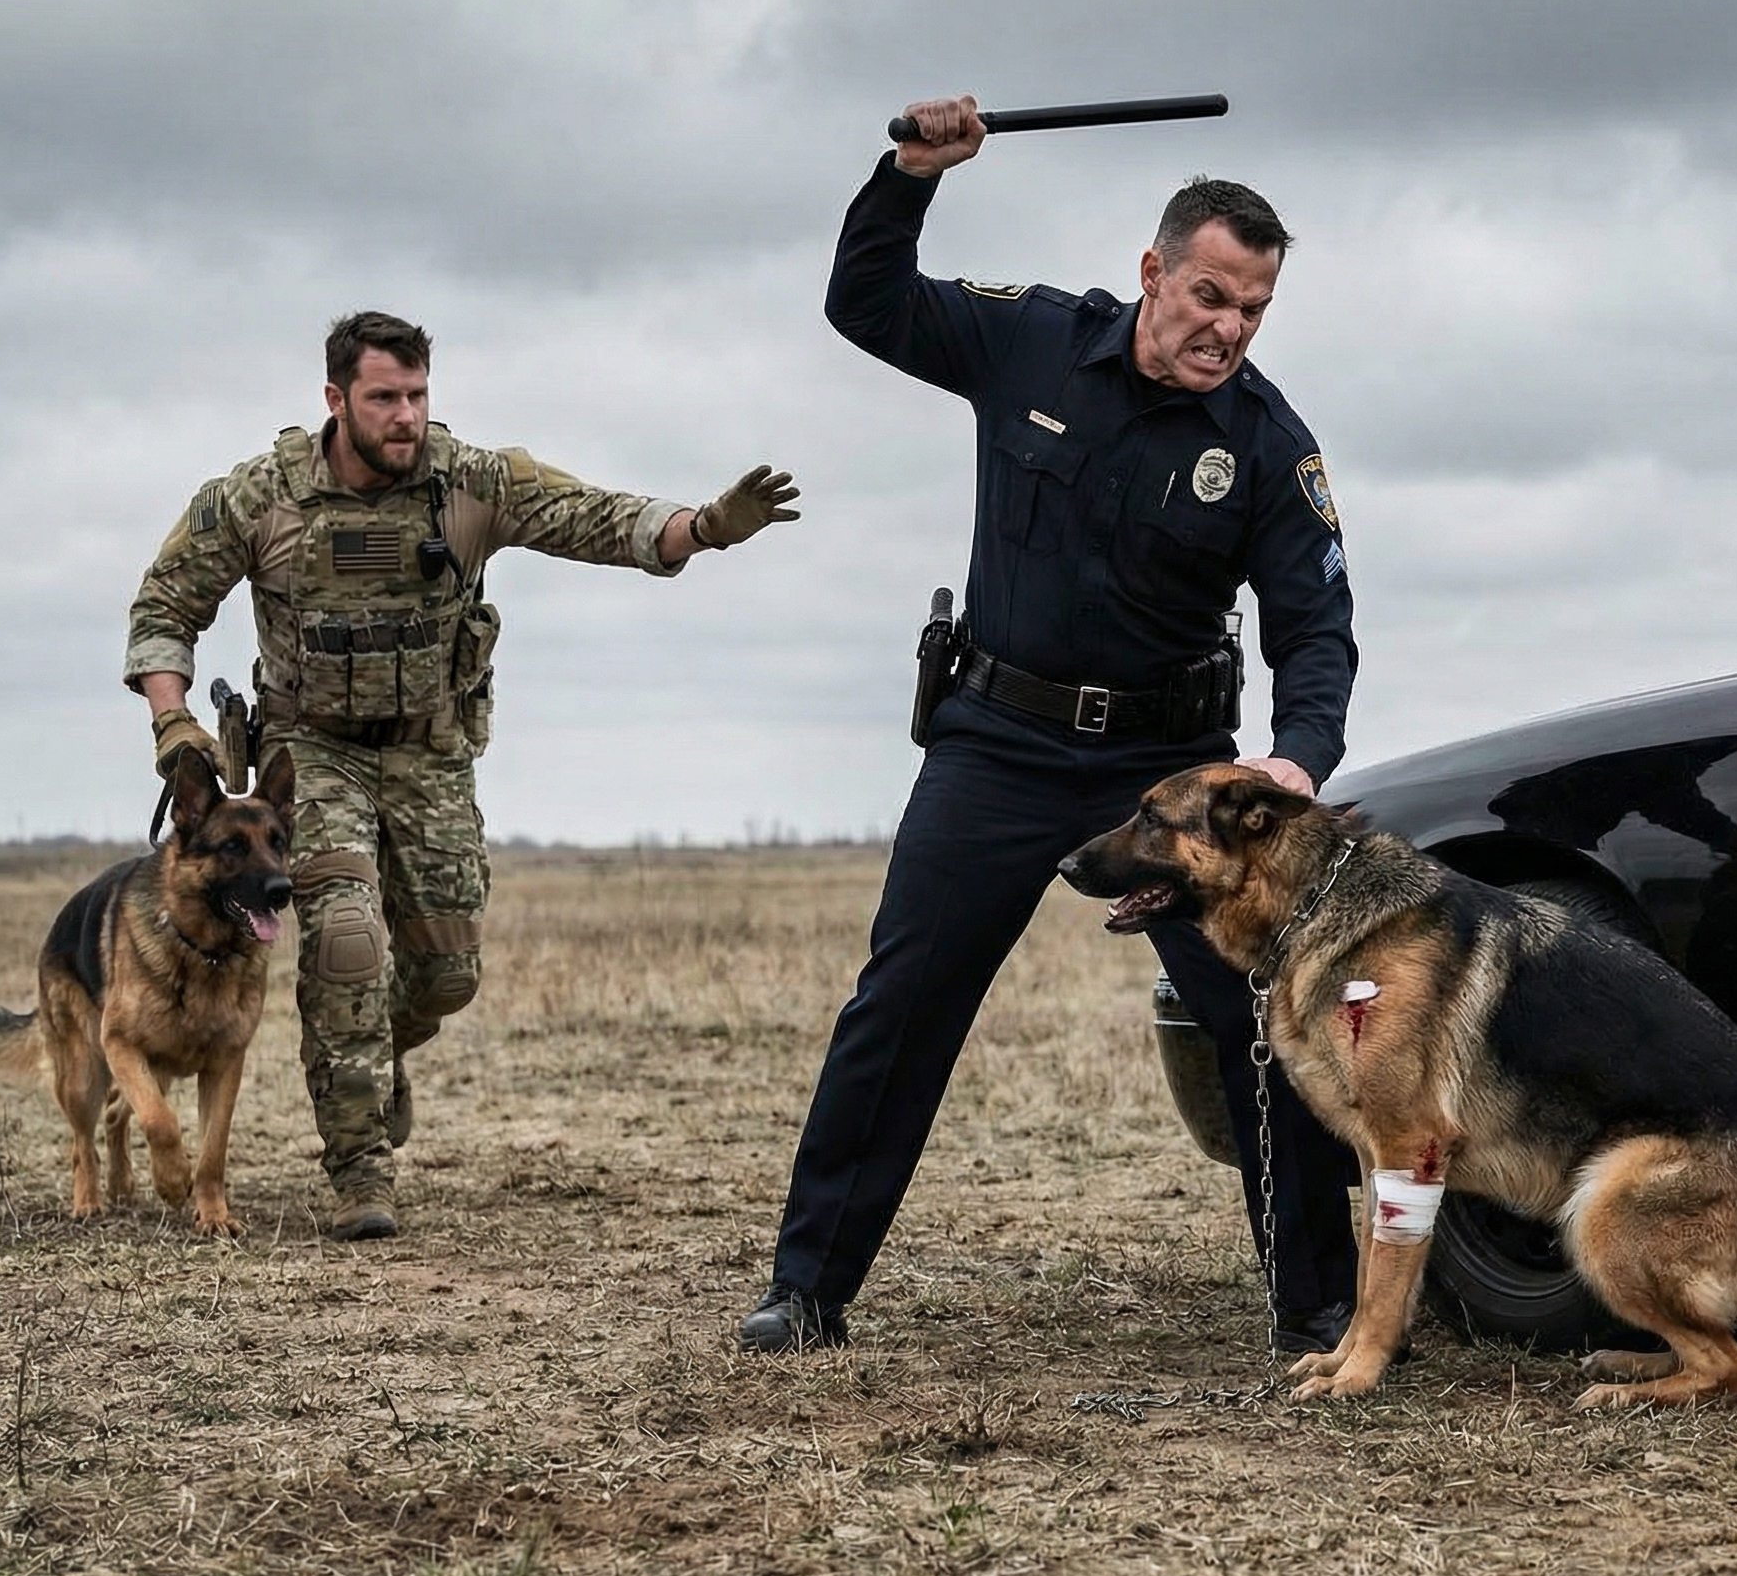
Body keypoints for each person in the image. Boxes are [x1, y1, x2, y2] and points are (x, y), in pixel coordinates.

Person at [740, 95, 1360, 1357]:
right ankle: (807, 1288)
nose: (1225, 329)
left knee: (1262, 1013)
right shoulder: (1028, 341)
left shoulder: (1264, 445)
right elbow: (866, 303)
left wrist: (1293, 758)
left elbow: (1318, 628)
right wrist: (908, 173)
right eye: (1206, 297)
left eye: (1250, 311)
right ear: (1152, 272)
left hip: (1164, 775)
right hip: (998, 744)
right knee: (901, 1001)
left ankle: (1317, 1308)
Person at [125, 310, 800, 1240]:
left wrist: (705, 527)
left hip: (430, 749)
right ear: (336, 400)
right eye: (383, 398)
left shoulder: (471, 483)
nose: (405, 416)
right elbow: (165, 606)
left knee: (446, 973)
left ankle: (374, 1052)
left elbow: (596, 517)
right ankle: (362, 1169)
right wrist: (173, 721)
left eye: (417, 395)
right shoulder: (259, 498)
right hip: (308, 751)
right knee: (347, 941)